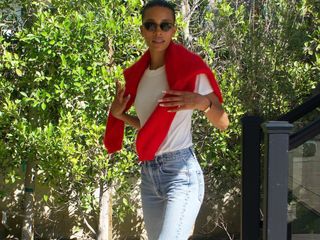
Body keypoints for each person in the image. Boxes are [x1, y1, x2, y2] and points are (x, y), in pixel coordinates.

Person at [104, 0, 229, 239]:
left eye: (165, 25)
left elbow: (224, 123)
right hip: (149, 176)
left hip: (181, 174)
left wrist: (201, 103)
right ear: (142, 30)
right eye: (150, 25)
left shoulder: (190, 70)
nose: (157, 31)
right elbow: (150, 127)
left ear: (173, 30)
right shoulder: (138, 77)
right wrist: (120, 115)